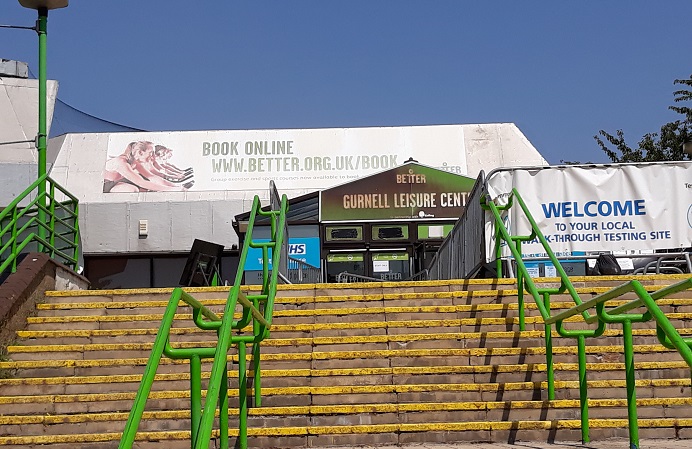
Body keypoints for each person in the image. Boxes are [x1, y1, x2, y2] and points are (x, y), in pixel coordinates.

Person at [103, 141, 192, 192]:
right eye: (151, 153)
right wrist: (174, 190)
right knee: (133, 189)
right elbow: (142, 182)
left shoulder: (135, 162)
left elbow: (152, 177)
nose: (153, 157)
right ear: (140, 153)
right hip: (104, 185)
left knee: (144, 190)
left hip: (115, 183)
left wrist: (177, 186)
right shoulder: (121, 162)